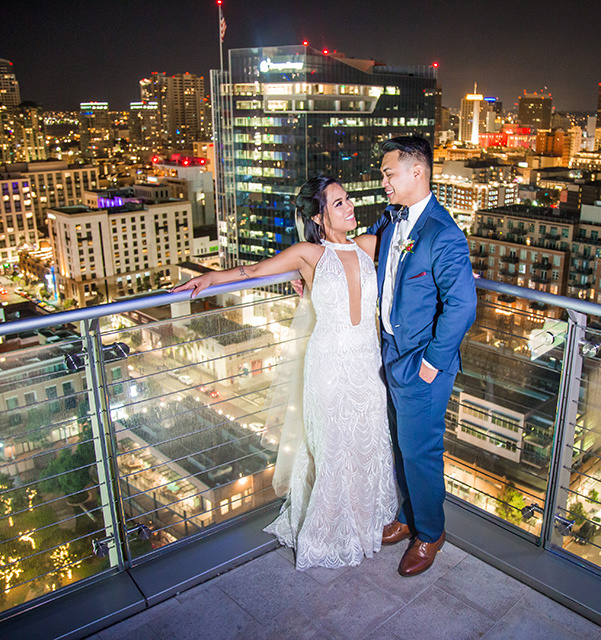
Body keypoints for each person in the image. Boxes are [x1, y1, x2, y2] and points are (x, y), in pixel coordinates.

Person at [172, 175, 397, 570]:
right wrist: (210, 278)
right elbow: (253, 271)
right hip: (328, 363)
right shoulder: (308, 254)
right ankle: (330, 532)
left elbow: (411, 256)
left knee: (367, 442)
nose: (350, 207)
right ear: (319, 215)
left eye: (348, 200)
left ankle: (363, 522)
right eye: (339, 203)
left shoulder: (368, 246)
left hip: (368, 361)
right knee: (333, 447)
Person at [364, 136, 477, 577]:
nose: (384, 181)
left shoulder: (443, 233)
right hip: (392, 351)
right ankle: (410, 518)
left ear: (417, 172)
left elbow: (463, 305)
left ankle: (430, 534)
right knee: (401, 445)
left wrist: (431, 362)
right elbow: (372, 256)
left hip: (421, 362)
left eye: (389, 173)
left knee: (420, 451)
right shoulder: (394, 221)